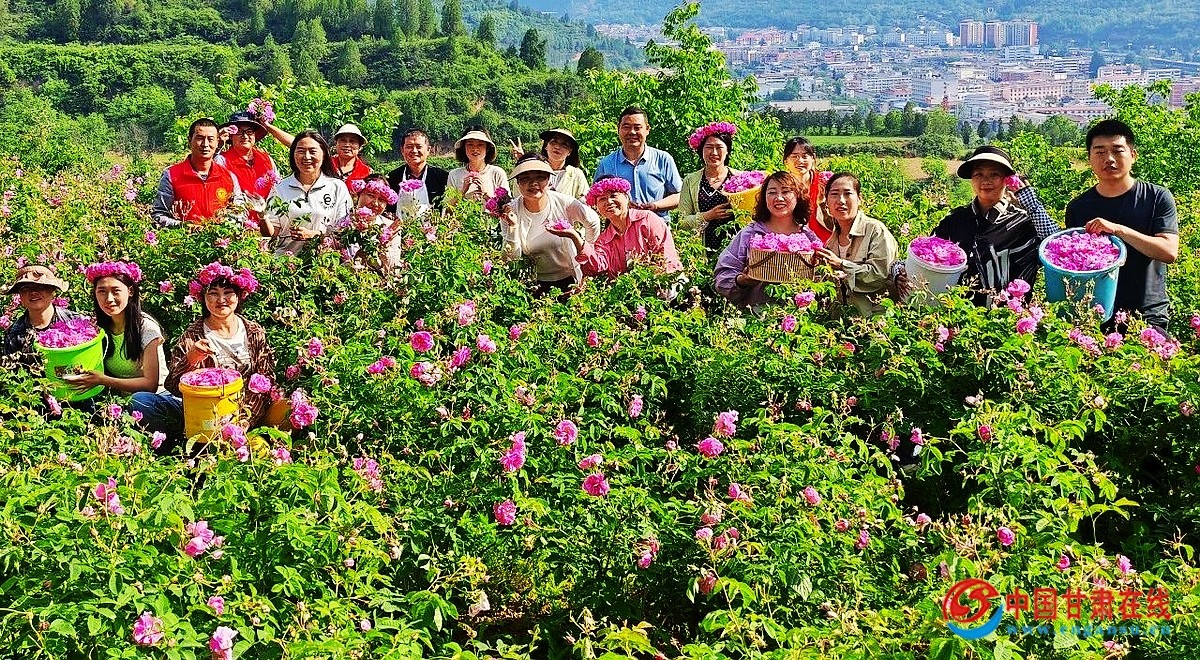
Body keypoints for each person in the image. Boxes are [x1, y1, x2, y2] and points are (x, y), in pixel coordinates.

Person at [132, 263, 275, 452]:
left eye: (228, 293)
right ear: (203, 298)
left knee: (286, 411)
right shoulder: (193, 335)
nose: (221, 300)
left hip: (245, 412)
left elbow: (265, 381)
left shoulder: (254, 332)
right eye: (213, 294)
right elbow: (173, 387)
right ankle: (171, 449)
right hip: (201, 414)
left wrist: (243, 421)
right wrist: (191, 359)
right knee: (141, 401)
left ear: (239, 296)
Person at [895, 146, 1056, 305]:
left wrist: (1030, 202)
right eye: (979, 174)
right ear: (972, 179)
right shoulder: (954, 221)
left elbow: (1054, 246)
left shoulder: (1024, 223)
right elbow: (925, 257)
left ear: (1006, 179)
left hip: (1008, 318)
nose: (986, 181)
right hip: (957, 315)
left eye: (994, 174)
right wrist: (898, 272)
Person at [1066, 119, 1178, 331]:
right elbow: (1073, 266)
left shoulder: (1156, 197)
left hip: (1146, 316)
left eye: (1117, 151)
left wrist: (1118, 230)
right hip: (1095, 316)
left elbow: (1169, 252)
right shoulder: (1078, 207)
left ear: (1133, 155)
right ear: (1089, 158)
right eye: (1100, 152)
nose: (1109, 159)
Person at [714, 171, 820, 308]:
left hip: (800, 316)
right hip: (757, 315)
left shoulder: (808, 236)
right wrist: (741, 281)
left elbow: (821, 280)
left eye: (786, 191)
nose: (779, 198)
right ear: (764, 198)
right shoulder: (749, 234)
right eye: (772, 192)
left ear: (798, 196)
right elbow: (722, 277)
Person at [499, 155, 601, 296]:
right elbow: (511, 259)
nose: (533, 183)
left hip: (569, 278)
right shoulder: (511, 211)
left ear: (548, 180)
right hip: (533, 283)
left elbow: (593, 221)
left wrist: (586, 253)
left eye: (540, 177)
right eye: (526, 178)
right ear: (518, 183)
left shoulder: (564, 203)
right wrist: (513, 227)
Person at [61, 261, 167, 395]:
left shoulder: (146, 328)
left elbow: (150, 385)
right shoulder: (97, 328)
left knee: (139, 399)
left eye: (115, 291)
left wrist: (102, 380)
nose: (109, 299)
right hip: (121, 399)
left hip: (155, 398)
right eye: (102, 291)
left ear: (130, 291)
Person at [549, 175, 682, 279]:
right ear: (597, 206)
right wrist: (574, 236)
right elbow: (594, 268)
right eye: (602, 199)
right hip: (630, 295)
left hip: (663, 285)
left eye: (613, 196)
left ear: (626, 198)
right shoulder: (604, 240)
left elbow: (666, 257)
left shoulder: (647, 220)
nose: (609, 202)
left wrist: (658, 284)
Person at [813, 173, 898, 316]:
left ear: (859, 199)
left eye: (847, 194)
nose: (841, 200)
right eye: (834, 194)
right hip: (840, 321)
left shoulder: (875, 231)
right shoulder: (830, 242)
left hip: (873, 320)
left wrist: (841, 264)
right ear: (826, 202)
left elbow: (879, 275)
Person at [262, 130, 354, 256]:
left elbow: (343, 231)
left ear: (324, 154)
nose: (306, 157)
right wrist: (262, 215)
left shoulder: (337, 187)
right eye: (301, 151)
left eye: (312, 151)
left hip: (324, 261)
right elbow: (273, 233)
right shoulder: (280, 188)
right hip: (285, 261)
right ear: (293, 155)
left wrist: (314, 235)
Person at [593, 106, 683, 219]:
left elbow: (679, 195)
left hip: (657, 225)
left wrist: (655, 206)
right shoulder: (606, 164)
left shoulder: (663, 159)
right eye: (626, 127)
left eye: (637, 127)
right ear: (618, 129)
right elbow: (595, 198)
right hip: (620, 227)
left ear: (647, 129)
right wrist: (622, 205)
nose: (632, 132)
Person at [151, 118, 244, 227]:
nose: (205, 144)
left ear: (217, 142)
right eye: (200, 138)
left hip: (221, 237)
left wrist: (224, 226)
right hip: (184, 237)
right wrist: (184, 226)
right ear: (189, 141)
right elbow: (158, 214)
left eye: (210, 139)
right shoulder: (172, 175)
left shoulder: (229, 177)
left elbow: (240, 212)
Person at [677, 122, 741, 254]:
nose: (714, 152)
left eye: (719, 147)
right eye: (709, 147)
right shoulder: (690, 181)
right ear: (701, 150)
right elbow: (682, 222)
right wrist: (707, 216)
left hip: (737, 251)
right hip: (703, 251)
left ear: (727, 150)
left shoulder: (740, 179)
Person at [2, 265, 81, 366]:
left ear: (53, 291)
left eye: (40, 286)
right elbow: (12, 372)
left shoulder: (74, 321)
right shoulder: (14, 334)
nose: (33, 292)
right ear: (20, 296)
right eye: (25, 288)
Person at [340, 174, 404, 272]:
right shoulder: (342, 223)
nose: (375, 203)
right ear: (359, 194)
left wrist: (382, 248)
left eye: (381, 199)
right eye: (371, 195)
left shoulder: (390, 228)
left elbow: (393, 270)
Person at [510, 128, 589, 200]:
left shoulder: (576, 174)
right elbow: (518, 197)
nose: (557, 147)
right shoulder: (532, 169)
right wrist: (523, 163)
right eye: (554, 142)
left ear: (569, 152)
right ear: (546, 146)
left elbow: (584, 203)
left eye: (564, 144)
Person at [782, 136, 832, 243]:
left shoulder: (825, 183)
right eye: (794, 156)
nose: (800, 161)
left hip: (827, 243)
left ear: (813, 159)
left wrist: (823, 203)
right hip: (793, 244)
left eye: (805, 156)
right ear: (786, 161)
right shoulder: (781, 186)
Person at [386, 128, 450, 210]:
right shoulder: (392, 178)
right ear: (402, 150)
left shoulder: (442, 177)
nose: (414, 151)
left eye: (419, 147)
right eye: (409, 147)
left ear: (428, 150)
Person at [447, 127, 507, 203]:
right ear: (464, 148)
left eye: (480, 144)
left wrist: (485, 194)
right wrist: (462, 192)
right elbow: (448, 208)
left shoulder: (497, 173)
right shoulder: (454, 175)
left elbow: (506, 206)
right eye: (470, 144)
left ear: (487, 148)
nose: (475, 149)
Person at [331, 124, 373, 189]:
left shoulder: (367, 172)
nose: (347, 145)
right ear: (336, 144)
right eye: (343, 140)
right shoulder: (325, 164)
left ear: (360, 147)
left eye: (352, 141)